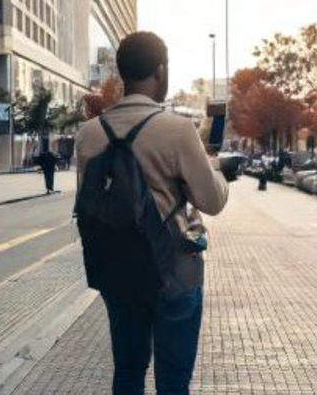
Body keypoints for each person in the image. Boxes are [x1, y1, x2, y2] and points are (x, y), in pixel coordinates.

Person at [75, 31, 229, 395]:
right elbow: (212, 201)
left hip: (118, 271)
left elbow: (92, 200)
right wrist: (215, 167)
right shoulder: (177, 130)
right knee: (173, 381)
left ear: (122, 74)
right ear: (160, 71)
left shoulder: (88, 134)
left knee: (127, 372)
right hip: (172, 272)